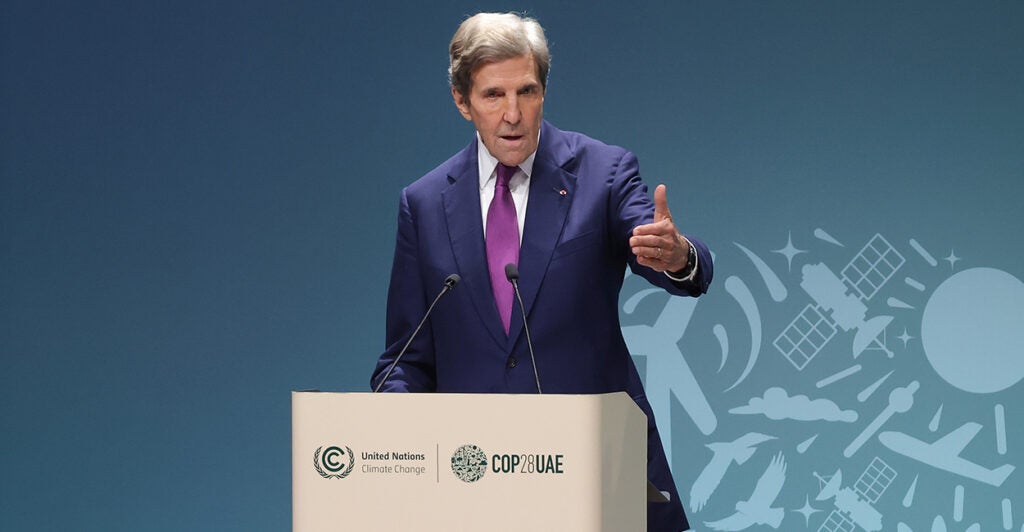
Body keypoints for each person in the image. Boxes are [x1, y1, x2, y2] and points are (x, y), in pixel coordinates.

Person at [371, 12, 712, 531]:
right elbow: (404, 358)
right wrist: (398, 426)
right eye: (493, 96)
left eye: (527, 92)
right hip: (475, 486)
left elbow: (672, 258)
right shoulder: (423, 204)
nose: (513, 114)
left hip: (600, 475)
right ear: (463, 103)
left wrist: (678, 255)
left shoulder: (603, 172)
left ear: (543, 92)